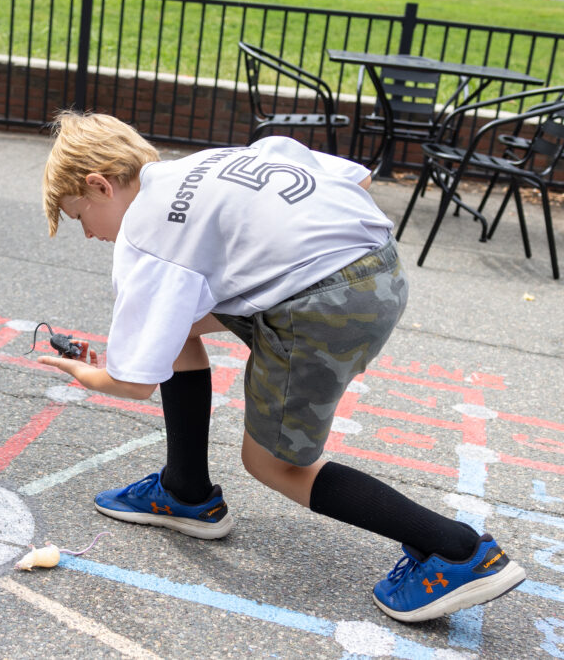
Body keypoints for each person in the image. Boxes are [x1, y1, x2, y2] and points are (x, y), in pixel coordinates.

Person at [37, 110, 527, 623]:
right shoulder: (207, 163)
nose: (90, 235)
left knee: (274, 464)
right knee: (175, 326)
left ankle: (459, 551)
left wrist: (78, 371)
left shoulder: (144, 233)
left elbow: (133, 383)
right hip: (379, 264)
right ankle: (186, 491)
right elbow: (353, 175)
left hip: (323, 305)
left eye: (79, 217)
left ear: (99, 185)